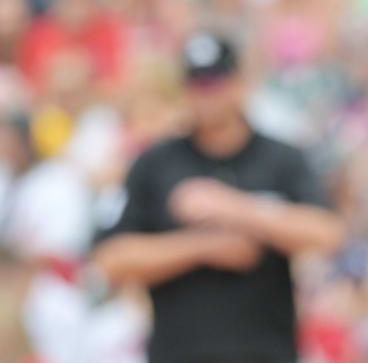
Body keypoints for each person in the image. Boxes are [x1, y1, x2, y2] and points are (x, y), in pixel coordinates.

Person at [92, 31, 345, 363]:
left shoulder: (280, 158)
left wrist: (237, 209)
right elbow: (112, 260)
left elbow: (327, 234)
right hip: (180, 352)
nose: (207, 95)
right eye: (197, 84)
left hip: (266, 351)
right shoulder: (156, 164)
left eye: (216, 82)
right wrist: (203, 247)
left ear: (240, 83)